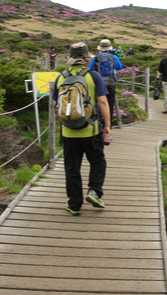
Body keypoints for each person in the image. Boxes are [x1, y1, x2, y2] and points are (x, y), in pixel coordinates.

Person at [52, 42, 112, 216]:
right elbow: (102, 102)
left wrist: (61, 126)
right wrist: (107, 126)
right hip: (90, 130)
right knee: (97, 161)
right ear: (86, 58)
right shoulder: (93, 76)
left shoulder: (60, 77)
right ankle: (94, 191)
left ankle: (74, 204)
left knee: (72, 168)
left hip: (69, 131)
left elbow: (56, 105)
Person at [88, 39, 123, 124]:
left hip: (99, 85)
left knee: (98, 105)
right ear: (109, 48)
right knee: (110, 106)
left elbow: (89, 68)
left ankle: (99, 125)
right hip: (110, 84)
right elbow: (120, 67)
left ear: (100, 48)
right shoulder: (114, 57)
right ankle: (108, 127)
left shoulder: (95, 58)